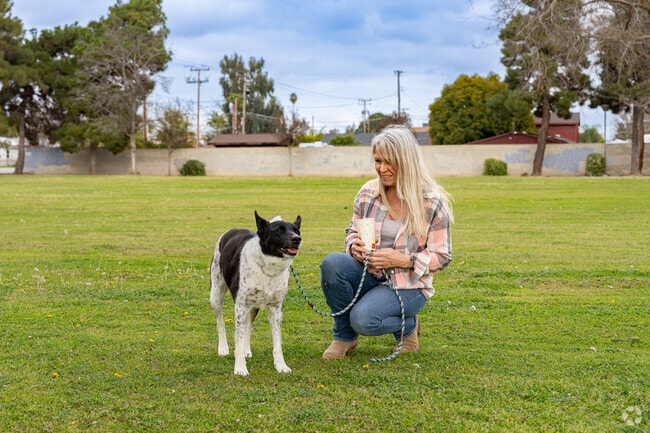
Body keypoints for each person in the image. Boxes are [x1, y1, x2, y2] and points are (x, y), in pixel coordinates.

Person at [320, 125, 453, 359]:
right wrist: (354, 246)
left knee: (364, 320)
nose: (382, 168)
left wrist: (405, 259)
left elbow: (442, 257)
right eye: (378, 161)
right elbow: (352, 231)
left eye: (389, 162)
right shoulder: (367, 192)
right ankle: (344, 337)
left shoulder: (431, 201)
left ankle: (408, 326)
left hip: (408, 285)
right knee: (332, 263)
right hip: (368, 274)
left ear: (406, 161)